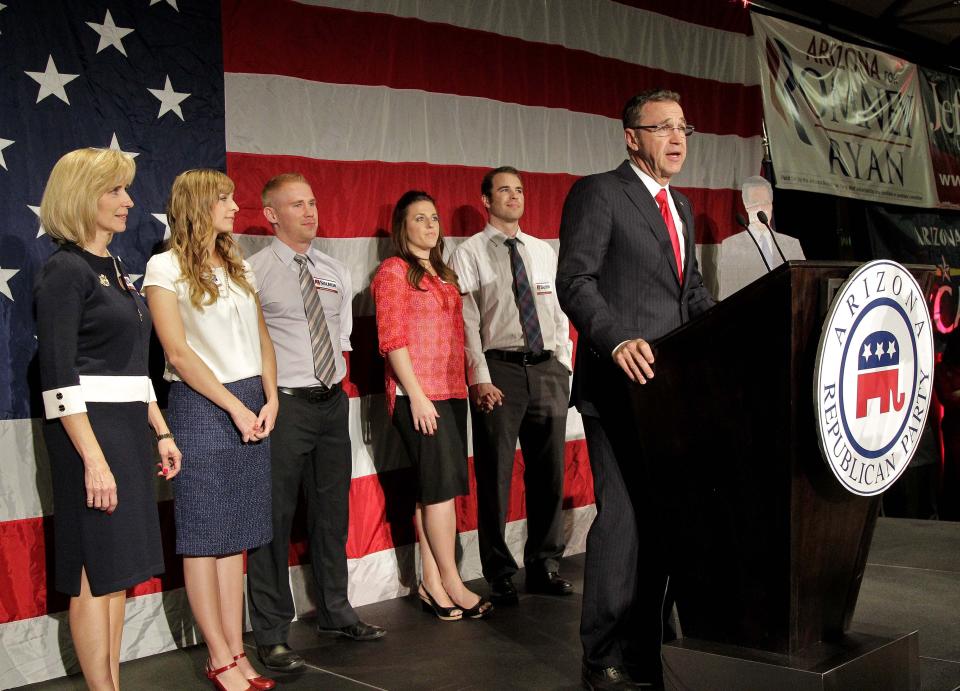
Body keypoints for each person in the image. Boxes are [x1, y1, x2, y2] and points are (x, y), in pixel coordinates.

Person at [556, 90, 715, 689]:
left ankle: (647, 646)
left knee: (664, 520)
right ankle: (604, 655)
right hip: (619, 385)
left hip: (671, 395)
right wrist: (618, 338)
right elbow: (575, 281)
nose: (677, 138)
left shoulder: (684, 207)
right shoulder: (600, 192)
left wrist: (731, 332)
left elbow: (690, 293)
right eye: (662, 127)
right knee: (623, 518)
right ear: (631, 137)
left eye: (683, 127)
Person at [35, 147, 181, 691]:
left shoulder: (116, 268)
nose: (128, 201)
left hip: (125, 432)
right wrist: (93, 461)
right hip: (86, 437)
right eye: (114, 190)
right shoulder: (64, 271)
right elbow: (58, 375)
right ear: (81, 196)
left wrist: (160, 429)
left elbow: (133, 362)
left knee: (116, 571)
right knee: (93, 573)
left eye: (126, 189)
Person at [144, 169, 278, 691]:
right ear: (198, 204)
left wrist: (268, 398)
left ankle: (237, 650)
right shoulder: (164, 266)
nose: (234, 206)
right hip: (201, 405)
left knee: (236, 535)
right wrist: (234, 408)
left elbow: (262, 335)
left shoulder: (237, 262)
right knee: (204, 535)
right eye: (224, 198)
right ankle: (218, 656)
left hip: (250, 400)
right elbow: (177, 352)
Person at [246, 173, 385, 671]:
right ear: (271, 215)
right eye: (296, 204)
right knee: (274, 518)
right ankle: (271, 631)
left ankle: (335, 610)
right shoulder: (252, 272)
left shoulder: (333, 269)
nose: (309, 212)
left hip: (331, 402)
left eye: (312, 201)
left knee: (332, 512)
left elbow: (342, 337)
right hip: (283, 406)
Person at [450, 166, 573, 605]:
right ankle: (499, 569)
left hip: (546, 369)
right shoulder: (469, 253)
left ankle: (544, 563)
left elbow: (558, 311)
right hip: (499, 369)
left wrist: (563, 364)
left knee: (549, 472)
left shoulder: (542, 251)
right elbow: (465, 323)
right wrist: (479, 376)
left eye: (519, 190)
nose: (514, 196)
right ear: (486, 200)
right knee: (496, 473)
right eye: (504, 190)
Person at [371, 190, 493, 621]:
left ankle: (432, 582)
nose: (430, 225)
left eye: (434, 218)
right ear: (401, 227)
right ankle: (452, 580)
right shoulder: (393, 271)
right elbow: (392, 341)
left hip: (452, 392)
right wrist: (418, 396)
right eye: (419, 218)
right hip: (418, 397)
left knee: (434, 491)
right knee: (439, 492)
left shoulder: (443, 274)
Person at [715, 176, 804, 300]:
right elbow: (727, 295)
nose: (761, 209)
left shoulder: (791, 244)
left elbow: (803, 286)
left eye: (765, 203)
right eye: (755, 203)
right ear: (746, 206)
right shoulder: (732, 246)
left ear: (772, 205)